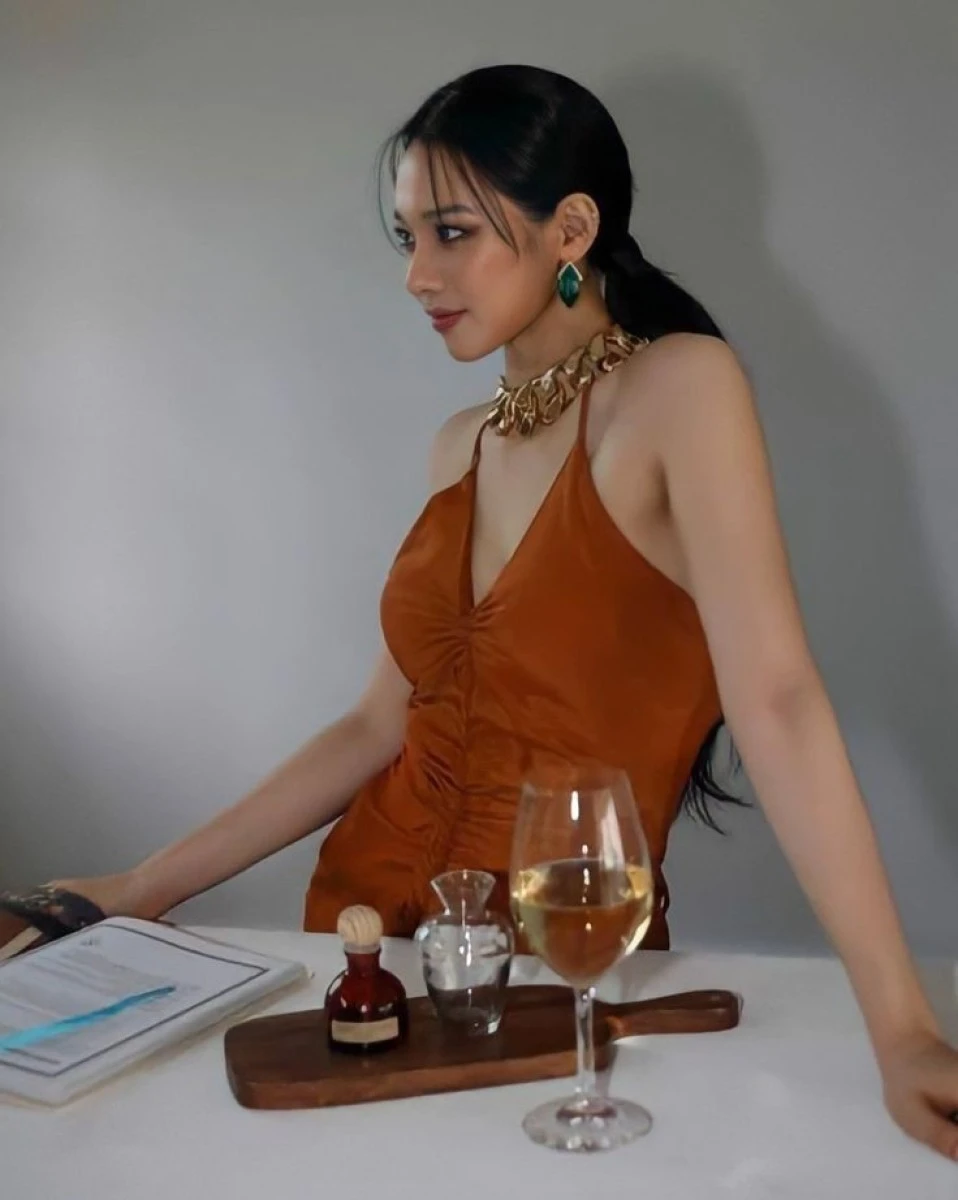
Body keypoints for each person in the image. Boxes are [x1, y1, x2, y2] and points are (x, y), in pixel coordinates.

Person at [20, 65, 958, 1159]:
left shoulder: (679, 391)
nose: (417, 273)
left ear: (572, 230)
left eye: (453, 232)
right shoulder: (458, 446)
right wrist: (138, 888)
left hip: (562, 975)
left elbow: (780, 699)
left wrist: (902, 1029)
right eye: (406, 236)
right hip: (369, 945)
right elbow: (377, 727)